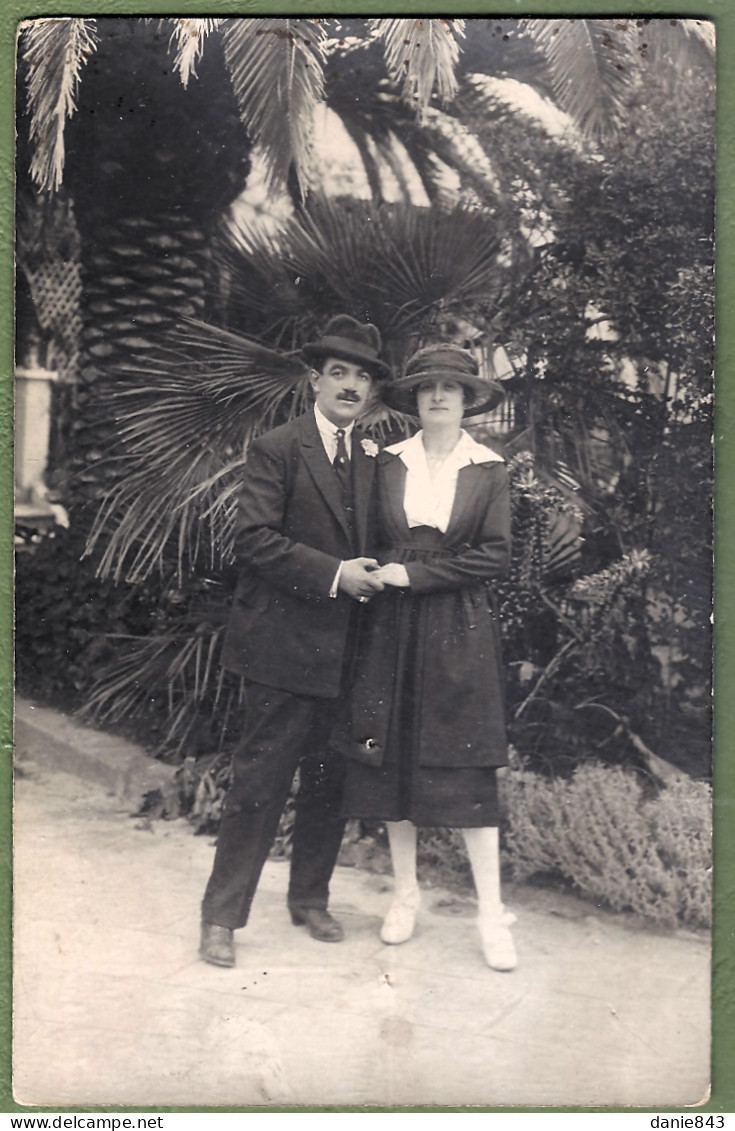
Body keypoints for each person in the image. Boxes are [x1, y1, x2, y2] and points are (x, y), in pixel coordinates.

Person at [199, 315, 390, 968]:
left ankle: (309, 896)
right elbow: (252, 540)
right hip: (281, 647)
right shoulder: (278, 447)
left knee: (331, 780)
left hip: (349, 650)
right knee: (260, 781)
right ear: (315, 380)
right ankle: (222, 916)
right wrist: (335, 574)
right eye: (339, 372)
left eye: (362, 376)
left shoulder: (372, 458)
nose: (350, 385)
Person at [336, 343, 517, 971]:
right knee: (393, 758)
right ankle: (405, 896)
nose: (438, 396)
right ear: (414, 400)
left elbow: (494, 556)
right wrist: (385, 575)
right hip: (389, 625)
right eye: (427, 388)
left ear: (468, 400)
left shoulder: (489, 468)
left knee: (464, 763)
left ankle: (491, 915)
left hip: (457, 627)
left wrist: (415, 577)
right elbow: (369, 539)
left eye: (452, 387)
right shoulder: (387, 463)